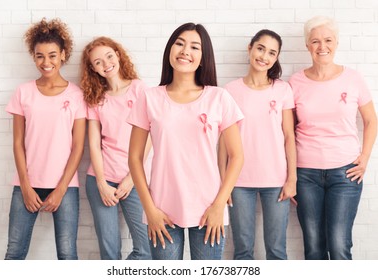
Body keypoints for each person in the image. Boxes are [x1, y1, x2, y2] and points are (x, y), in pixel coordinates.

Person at [127, 22, 244, 260]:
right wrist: (149, 210)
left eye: (194, 47)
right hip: (162, 209)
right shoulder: (149, 98)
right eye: (179, 43)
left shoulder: (219, 98)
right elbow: (134, 158)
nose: (185, 51)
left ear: (203, 57)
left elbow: (237, 156)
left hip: (209, 208)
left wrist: (219, 206)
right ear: (170, 49)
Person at [289, 15, 377, 260]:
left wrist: (365, 157)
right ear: (307, 45)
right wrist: (291, 176)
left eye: (328, 40)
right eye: (315, 41)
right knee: (314, 248)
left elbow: (371, 120)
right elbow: (286, 132)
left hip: (346, 173)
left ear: (337, 43)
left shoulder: (353, 78)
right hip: (306, 175)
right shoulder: (295, 82)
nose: (322, 46)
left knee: (339, 246)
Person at [5, 18, 86, 260]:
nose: (46, 62)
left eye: (52, 55)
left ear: (63, 55)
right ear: (33, 57)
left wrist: (61, 190)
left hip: (65, 186)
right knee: (14, 253)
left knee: (67, 254)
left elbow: (78, 147)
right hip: (26, 183)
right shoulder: (23, 92)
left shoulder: (76, 95)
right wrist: (26, 186)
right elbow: (18, 144)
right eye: (40, 56)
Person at [219, 29, 297, 260]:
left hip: (276, 180)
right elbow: (224, 140)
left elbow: (289, 136)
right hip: (238, 181)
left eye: (272, 53)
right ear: (250, 49)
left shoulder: (282, 89)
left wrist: (292, 178)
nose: (264, 56)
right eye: (261, 48)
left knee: (277, 251)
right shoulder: (230, 91)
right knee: (242, 251)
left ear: (276, 58)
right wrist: (224, 182)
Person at [80, 37, 152, 260]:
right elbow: (93, 142)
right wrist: (101, 182)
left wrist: (132, 177)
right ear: (93, 68)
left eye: (109, 56)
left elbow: (151, 135)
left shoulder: (140, 89)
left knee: (146, 251)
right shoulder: (96, 98)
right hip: (101, 178)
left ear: (118, 55)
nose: (106, 64)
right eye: (98, 62)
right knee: (109, 255)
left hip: (134, 178)